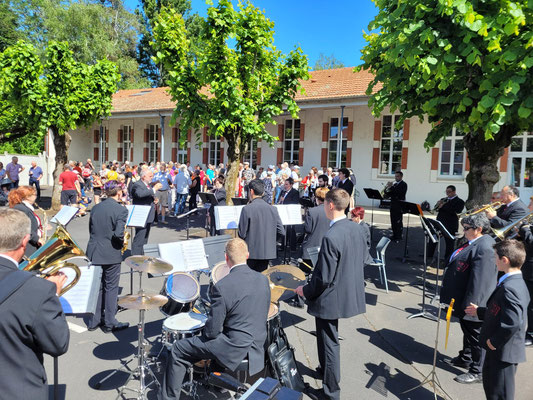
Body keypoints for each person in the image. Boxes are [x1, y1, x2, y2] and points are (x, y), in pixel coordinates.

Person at [159, 238, 271, 400]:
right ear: (247, 255)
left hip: (234, 347)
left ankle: (168, 398)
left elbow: (212, 332)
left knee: (178, 349)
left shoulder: (223, 286)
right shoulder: (262, 280)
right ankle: (213, 381)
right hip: (257, 343)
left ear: (226, 258)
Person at [295, 189, 368, 400]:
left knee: (329, 344)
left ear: (329, 205)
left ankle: (330, 393)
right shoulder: (355, 228)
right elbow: (360, 259)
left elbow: (324, 278)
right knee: (326, 340)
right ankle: (325, 372)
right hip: (346, 292)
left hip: (332, 297)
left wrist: (305, 291)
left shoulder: (331, 236)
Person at [0, 208, 69, 400]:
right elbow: (58, 344)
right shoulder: (38, 289)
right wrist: (53, 296)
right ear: (24, 241)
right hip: (18, 390)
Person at [465, 240, 530, 400]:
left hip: (502, 351)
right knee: (492, 389)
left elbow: (512, 322)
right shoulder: (512, 282)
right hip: (498, 350)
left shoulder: (510, 288)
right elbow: (502, 312)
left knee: (499, 394)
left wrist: (493, 342)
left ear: (504, 260)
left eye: (495, 257)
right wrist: (479, 311)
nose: (494, 260)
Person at [440, 213, 497, 384]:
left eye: (466, 228)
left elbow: (481, 280)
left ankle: (478, 370)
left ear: (478, 229)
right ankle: (465, 358)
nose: (463, 231)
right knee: (467, 331)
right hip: (462, 297)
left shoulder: (485, 247)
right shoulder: (475, 242)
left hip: (474, 302)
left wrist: (474, 306)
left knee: (476, 336)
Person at [85, 181, 130, 333]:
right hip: (110, 253)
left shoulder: (96, 207)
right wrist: (123, 241)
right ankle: (110, 322)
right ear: (118, 193)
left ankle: (93, 321)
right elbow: (118, 234)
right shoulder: (121, 210)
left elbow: (92, 230)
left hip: (94, 250)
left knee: (96, 288)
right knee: (111, 288)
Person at [238, 179, 285, 272]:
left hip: (251, 252)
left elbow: (242, 234)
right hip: (267, 252)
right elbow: (281, 231)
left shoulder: (247, 209)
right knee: (262, 277)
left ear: (251, 191)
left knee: (250, 279)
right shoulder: (273, 209)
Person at [429, 185, 466, 261]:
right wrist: (437, 205)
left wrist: (443, 206)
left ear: (454, 192)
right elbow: (437, 210)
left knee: (449, 243)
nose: (447, 194)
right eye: (446, 192)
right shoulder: (443, 199)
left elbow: (456, 211)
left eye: (449, 192)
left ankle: (447, 259)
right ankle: (429, 256)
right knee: (433, 238)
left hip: (450, 225)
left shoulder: (460, 201)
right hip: (439, 223)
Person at [131, 169, 162, 256]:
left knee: (145, 238)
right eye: (150, 176)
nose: (152, 178)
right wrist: (154, 189)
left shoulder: (147, 185)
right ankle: (136, 256)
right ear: (143, 176)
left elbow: (147, 195)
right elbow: (140, 194)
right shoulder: (137, 184)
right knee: (139, 237)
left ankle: (142, 254)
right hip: (141, 215)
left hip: (148, 215)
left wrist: (154, 199)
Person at [8, 186, 45, 257]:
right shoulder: (21, 208)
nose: (36, 197)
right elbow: (23, 228)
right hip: (27, 246)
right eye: (35, 195)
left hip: (30, 243)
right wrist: (37, 239)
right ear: (28, 197)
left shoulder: (25, 207)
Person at [516, 195, 533, 346]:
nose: (528, 207)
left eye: (531, 204)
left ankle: (531, 334)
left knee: (531, 305)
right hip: (528, 268)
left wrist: (526, 230)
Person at [302, 187, 330, 267]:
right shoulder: (333, 211)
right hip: (327, 246)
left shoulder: (312, 211)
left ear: (317, 198)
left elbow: (308, 229)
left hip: (312, 246)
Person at [386, 171, 407, 242]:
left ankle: (399, 236)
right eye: (395, 176)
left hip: (399, 206)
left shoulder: (404, 184)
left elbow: (399, 193)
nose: (396, 178)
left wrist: (391, 187)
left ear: (401, 177)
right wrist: (387, 188)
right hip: (393, 205)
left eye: (397, 176)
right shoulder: (394, 185)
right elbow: (388, 194)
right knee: (393, 221)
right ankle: (394, 235)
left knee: (398, 222)